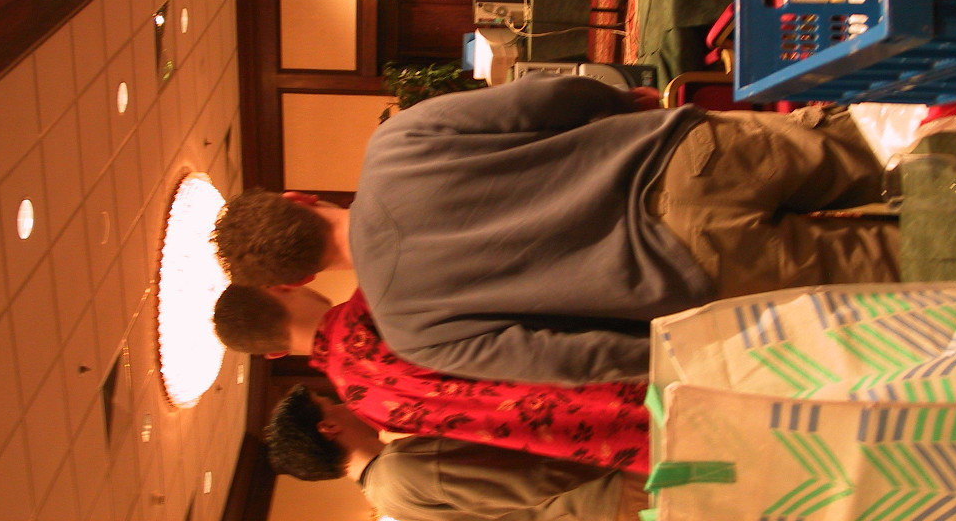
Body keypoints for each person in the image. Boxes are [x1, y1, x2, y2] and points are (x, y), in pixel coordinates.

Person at [214, 74, 899, 386]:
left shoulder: (411, 331)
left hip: (693, 269)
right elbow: (542, 100)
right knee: (886, 147)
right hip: (685, 156)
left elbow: (570, 359)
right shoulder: (396, 146)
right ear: (298, 198)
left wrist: (675, 347)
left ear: (297, 278)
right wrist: (620, 102)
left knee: (902, 264)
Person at [214, 283, 650, 471]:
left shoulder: (364, 405)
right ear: (280, 286)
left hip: (603, 438)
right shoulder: (375, 300)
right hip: (615, 356)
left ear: (273, 352)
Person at [265, 383, 650, 521]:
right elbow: (535, 475)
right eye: (331, 403)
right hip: (610, 490)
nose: (344, 404)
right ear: (328, 428)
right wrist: (621, 441)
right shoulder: (399, 470)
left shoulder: (387, 495)